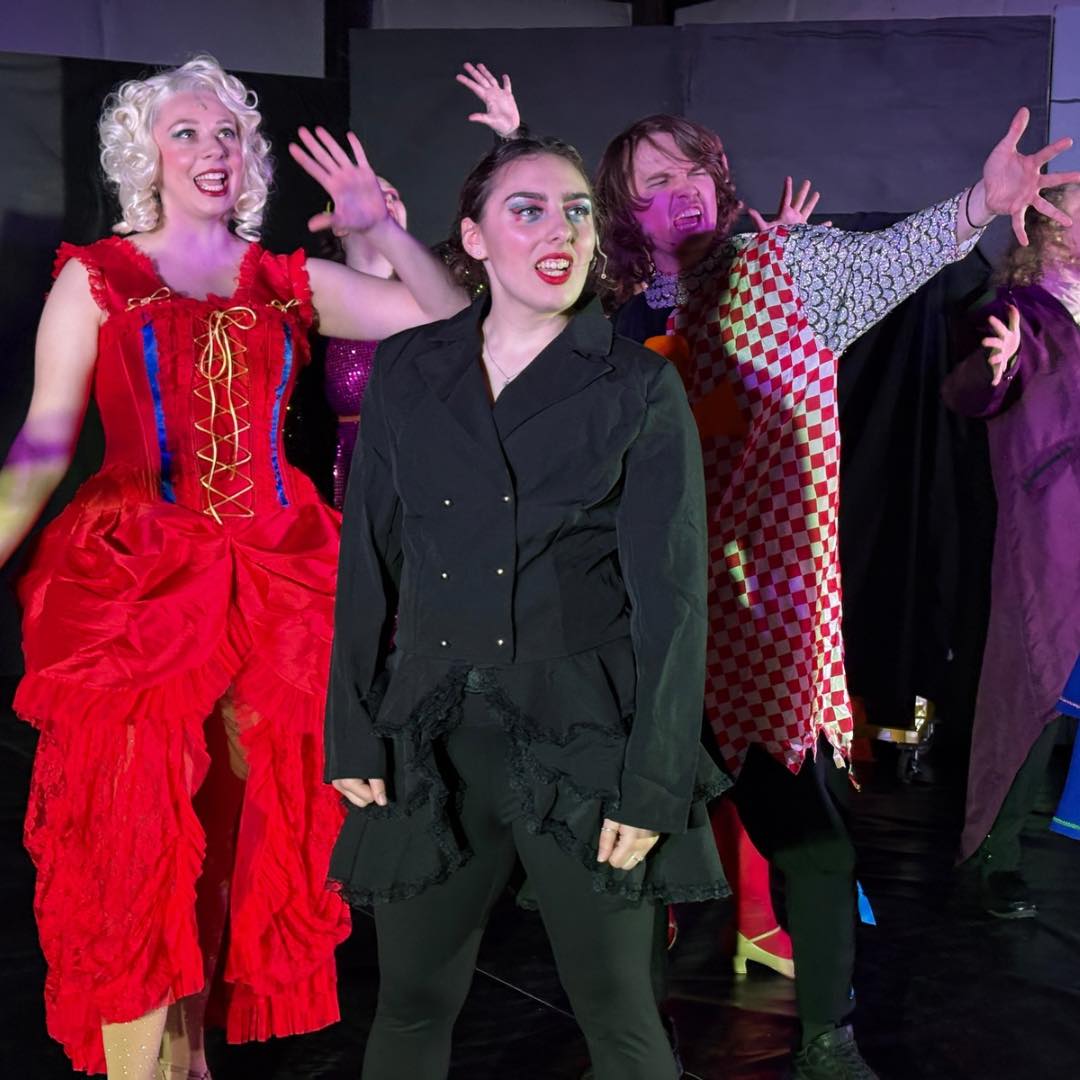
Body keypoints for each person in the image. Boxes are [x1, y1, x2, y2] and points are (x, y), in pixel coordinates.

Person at [0, 55, 468, 1080]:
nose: (212, 151)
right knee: (130, 848)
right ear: (145, 157)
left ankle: (191, 1059)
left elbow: (446, 327)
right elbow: (43, 441)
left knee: (230, 837)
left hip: (273, 585)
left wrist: (381, 233)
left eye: (226, 135)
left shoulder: (280, 279)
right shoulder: (100, 276)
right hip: (138, 588)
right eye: (186, 133)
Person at [594, 109, 1080, 1079]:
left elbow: (894, 259)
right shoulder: (620, 323)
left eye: (693, 165)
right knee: (632, 855)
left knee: (810, 844)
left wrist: (982, 203)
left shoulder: (789, 270)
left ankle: (826, 1037)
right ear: (626, 211)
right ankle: (634, 1054)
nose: (681, 186)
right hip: (654, 621)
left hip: (764, 621)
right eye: (654, 179)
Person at [324, 133, 728, 1080]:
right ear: (475, 236)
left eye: (580, 209)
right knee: (412, 1003)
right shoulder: (409, 370)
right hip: (430, 735)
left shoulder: (637, 385)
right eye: (530, 209)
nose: (563, 228)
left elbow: (673, 599)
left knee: (622, 1021)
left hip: (584, 737)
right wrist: (352, 725)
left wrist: (655, 778)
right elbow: (366, 564)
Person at [942, 182, 1080, 916]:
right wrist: (992, 370)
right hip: (1052, 529)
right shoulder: (1017, 313)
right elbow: (970, 389)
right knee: (1035, 685)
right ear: (1047, 233)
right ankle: (998, 851)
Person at [324, 62, 521, 508]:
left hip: (432, 470)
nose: (386, 200)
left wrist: (510, 140)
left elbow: (498, 216)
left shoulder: (444, 276)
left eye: (393, 194)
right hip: (351, 477)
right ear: (337, 223)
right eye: (371, 193)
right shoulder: (317, 295)